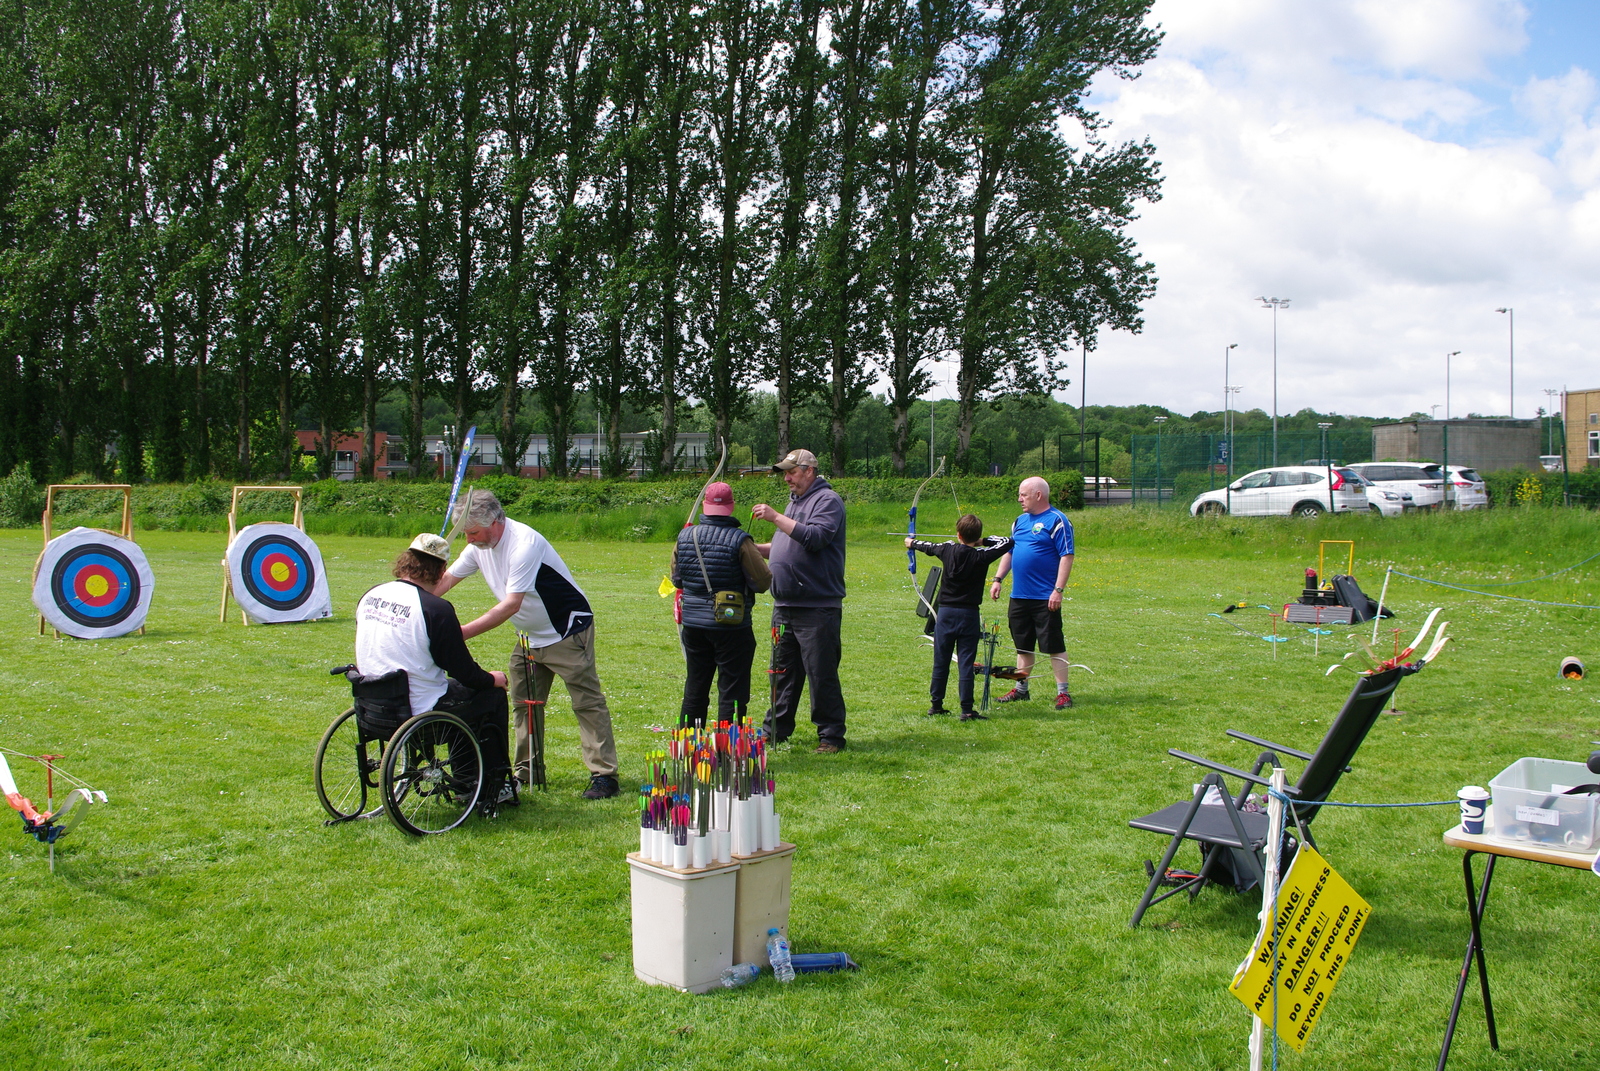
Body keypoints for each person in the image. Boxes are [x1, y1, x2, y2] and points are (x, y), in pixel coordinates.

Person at [434, 492, 622, 800]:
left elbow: (510, 605)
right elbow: (445, 581)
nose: (468, 540)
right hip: (528, 636)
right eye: (466, 534)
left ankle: (604, 775)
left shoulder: (524, 544)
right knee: (524, 706)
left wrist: (460, 633)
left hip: (566, 631)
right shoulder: (478, 546)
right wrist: (414, 598)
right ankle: (527, 772)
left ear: (495, 522)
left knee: (586, 703)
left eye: (473, 533)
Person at [355, 533, 515, 804]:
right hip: (417, 710)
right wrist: (493, 679)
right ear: (441, 571)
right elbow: (463, 671)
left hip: (372, 705)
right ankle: (486, 786)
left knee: (465, 694)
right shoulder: (436, 609)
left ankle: (469, 781)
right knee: (488, 696)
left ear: (405, 562)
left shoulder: (371, 595)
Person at [752, 449, 848, 753]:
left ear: (809, 471)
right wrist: (753, 548)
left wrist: (775, 517)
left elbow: (815, 538)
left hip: (817, 606)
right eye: (784, 472)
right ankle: (776, 729)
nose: (787, 478)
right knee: (781, 672)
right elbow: (783, 544)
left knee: (821, 673)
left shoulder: (827, 501)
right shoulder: (793, 503)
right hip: (785, 606)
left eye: (791, 472)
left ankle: (831, 736)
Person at [672, 481, 772, 727]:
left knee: (695, 686)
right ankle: (727, 752)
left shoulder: (685, 535)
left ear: (705, 505)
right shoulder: (741, 540)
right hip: (732, 625)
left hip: (694, 624)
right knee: (732, 690)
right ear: (732, 506)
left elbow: (677, 578)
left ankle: (690, 748)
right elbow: (762, 582)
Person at [906, 515, 1012, 720]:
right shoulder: (982, 556)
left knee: (941, 661)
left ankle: (936, 705)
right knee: (966, 663)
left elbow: (928, 546)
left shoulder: (947, 549)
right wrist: (984, 542)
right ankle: (966, 710)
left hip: (945, 614)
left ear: (958, 534)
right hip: (968, 615)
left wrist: (911, 542)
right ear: (977, 536)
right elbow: (1007, 541)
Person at [988, 476, 1076, 710]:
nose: (1019, 499)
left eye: (1023, 495)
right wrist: (998, 579)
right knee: (1022, 646)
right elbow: (1010, 551)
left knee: (1053, 646)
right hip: (1019, 597)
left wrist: (1058, 590)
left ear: (1038, 495)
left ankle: (1063, 693)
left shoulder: (1057, 520)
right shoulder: (1020, 521)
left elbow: (1067, 556)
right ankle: (1020, 689)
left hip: (1045, 598)